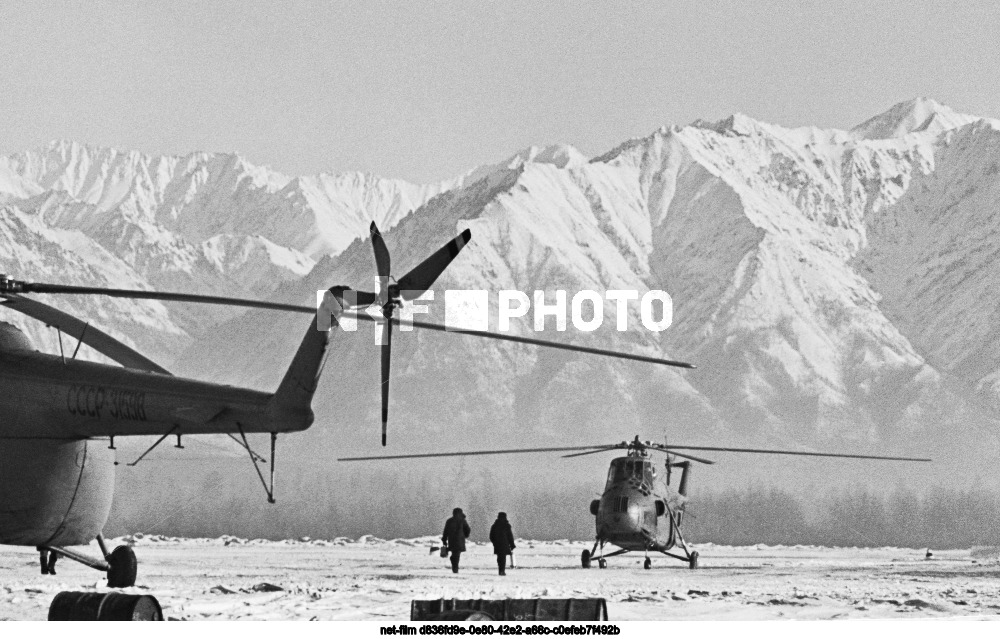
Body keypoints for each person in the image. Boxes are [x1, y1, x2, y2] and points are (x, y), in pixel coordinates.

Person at [442, 507, 471, 573]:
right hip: (460, 541)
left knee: (454, 554)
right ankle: (455, 568)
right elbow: (468, 529)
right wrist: (465, 536)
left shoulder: (449, 521)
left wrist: (444, 539)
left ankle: (454, 566)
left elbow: (445, 531)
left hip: (451, 541)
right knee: (457, 554)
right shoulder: (463, 521)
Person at [489, 512, 516, 576]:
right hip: (505, 544)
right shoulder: (507, 525)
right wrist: (512, 544)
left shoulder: (494, 525)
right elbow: (510, 536)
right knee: (503, 558)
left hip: (497, 545)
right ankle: (502, 571)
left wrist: (494, 542)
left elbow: (491, 536)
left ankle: (500, 570)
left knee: (499, 558)